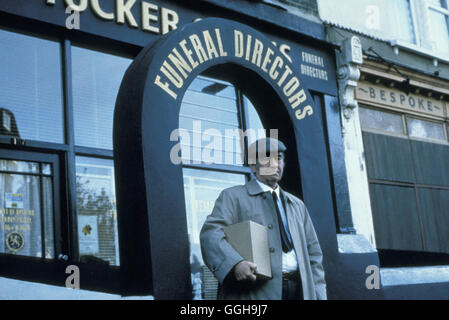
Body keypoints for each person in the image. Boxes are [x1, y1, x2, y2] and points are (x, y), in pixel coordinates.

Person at [200, 137, 327, 300]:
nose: (275, 164)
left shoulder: (297, 205)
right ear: (253, 166)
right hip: (254, 294)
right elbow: (210, 235)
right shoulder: (233, 197)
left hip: (299, 291)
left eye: (279, 158)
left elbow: (314, 255)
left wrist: (319, 295)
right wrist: (236, 264)